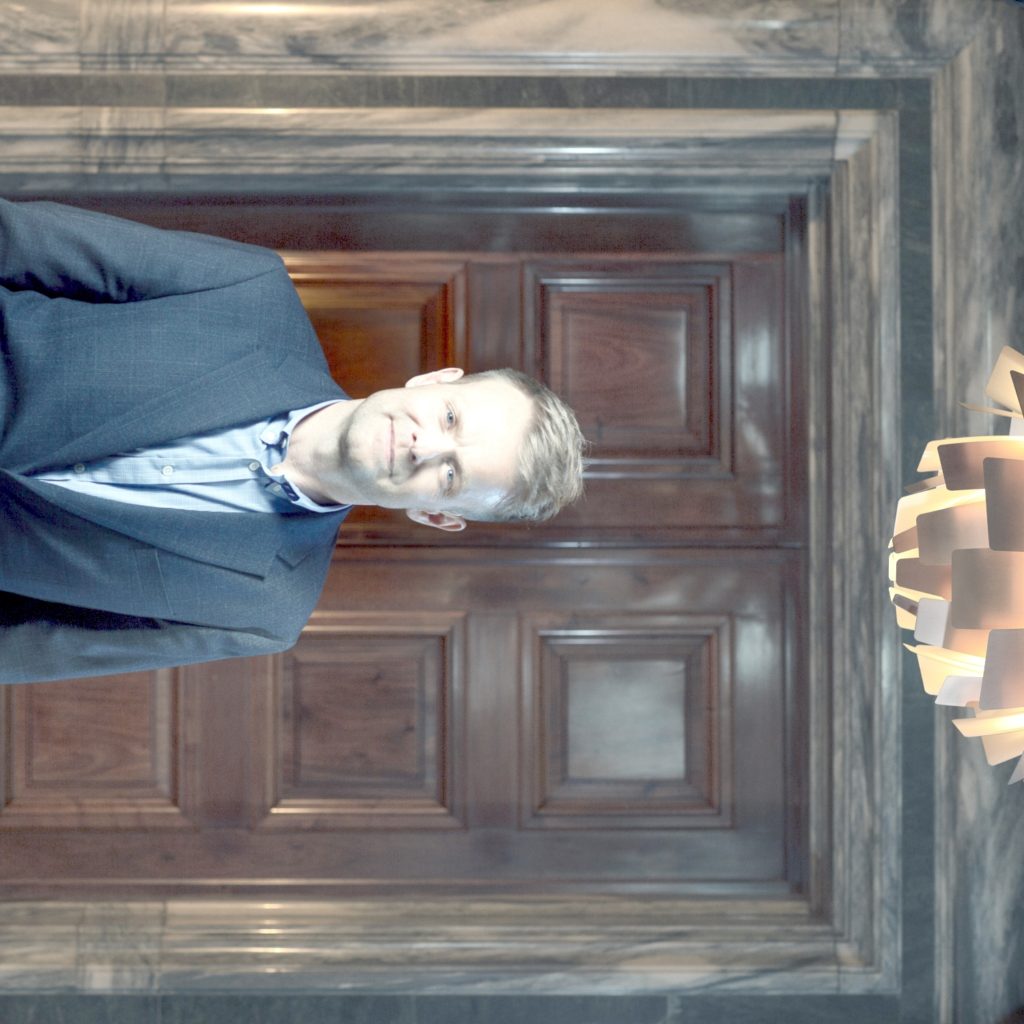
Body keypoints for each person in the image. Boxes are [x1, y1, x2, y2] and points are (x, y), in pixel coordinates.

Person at [0, 199, 585, 684]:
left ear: (435, 515)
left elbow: (28, 648)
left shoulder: (264, 614)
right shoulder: (248, 289)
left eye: (451, 474)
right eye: (450, 418)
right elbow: (19, 239)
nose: (422, 446)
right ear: (435, 380)